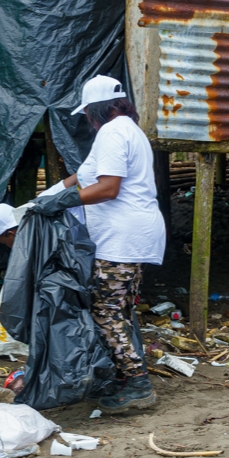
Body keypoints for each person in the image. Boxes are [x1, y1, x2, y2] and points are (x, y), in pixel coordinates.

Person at [32, 75, 166, 413]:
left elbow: (107, 188)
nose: (88, 121)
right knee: (120, 310)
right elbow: (83, 174)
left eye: (88, 114)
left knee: (105, 310)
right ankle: (125, 375)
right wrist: (47, 197)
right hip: (135, 234)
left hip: (122, 238)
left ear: (96, 109)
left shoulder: (112, 133)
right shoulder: (127, 131)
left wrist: (62, 203)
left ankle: (138, 384)